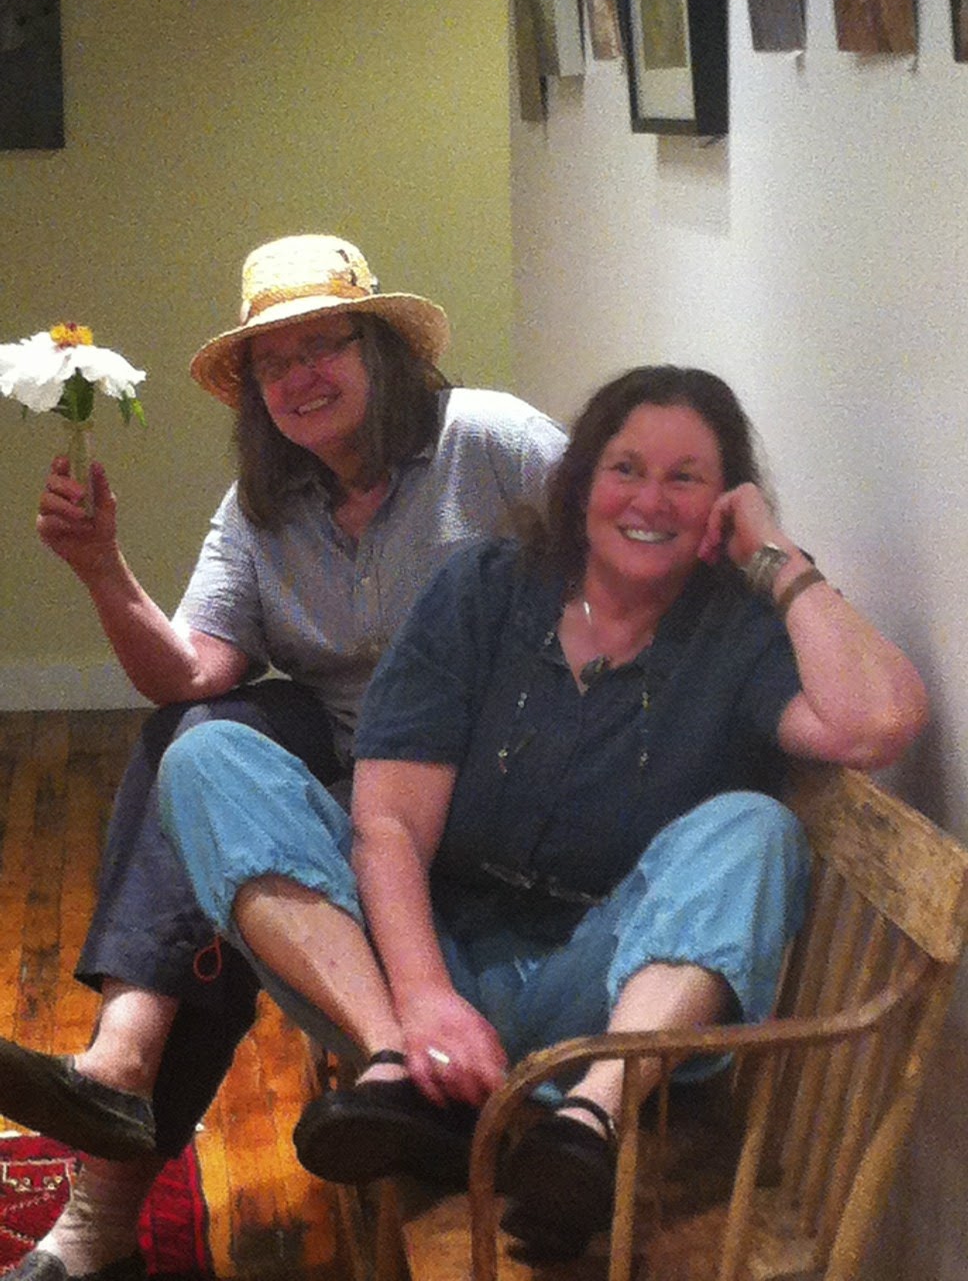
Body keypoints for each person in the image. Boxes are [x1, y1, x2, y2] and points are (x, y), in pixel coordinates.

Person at [156, 365, 928, 1261]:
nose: (651, 500)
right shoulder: (483, 590)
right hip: (424, 955)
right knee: (208, 759)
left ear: (724, 506)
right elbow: (391, 824)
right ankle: (400, 1073)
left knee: (758, 827)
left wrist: (779, 559)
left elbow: (879, 723)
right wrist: (426, 1003)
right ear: (580, 481)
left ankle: (585, 1130)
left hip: (613, 992)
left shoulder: (739, 632)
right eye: (626, 469)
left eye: (687, 478)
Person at [0, 232, 566, 1281]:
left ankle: (107, 1163)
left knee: (202, 815)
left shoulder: (491, 441)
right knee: (194, 743)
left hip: (486, 794)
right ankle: (118, 1075)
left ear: (379, 352)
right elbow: (189, 672)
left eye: (322, 346)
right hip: (355, 787)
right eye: (272, 361)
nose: (299, 376)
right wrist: (101, 568)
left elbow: (624, 536)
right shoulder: (263, 509)